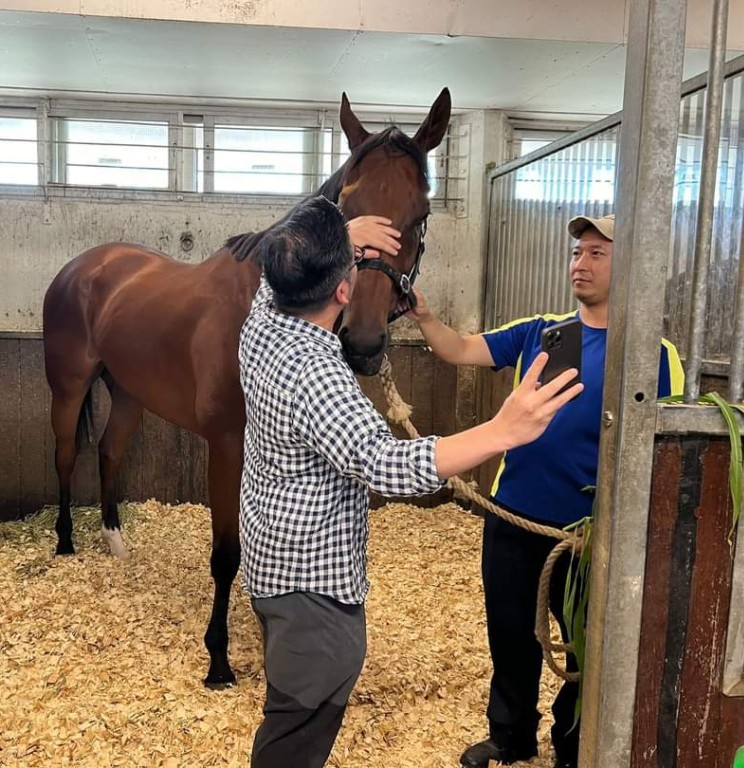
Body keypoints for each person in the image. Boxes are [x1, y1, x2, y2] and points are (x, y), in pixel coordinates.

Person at [238, 195, 584, 768]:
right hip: (313, 590)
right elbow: (384, 464)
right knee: (300, 722)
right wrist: (502, 429)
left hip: (272, 563)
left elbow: (265, 276)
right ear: (344, 290)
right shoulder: (316, 372)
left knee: (291, 708)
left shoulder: (264, 327)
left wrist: (337, 234)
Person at [409, 213, 684, 768]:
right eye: (577, 253)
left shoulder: (653, 355)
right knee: (511, 632)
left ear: (630, 266)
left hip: (586, 533)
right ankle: (509, 736)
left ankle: (571, 744)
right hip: (514, 516)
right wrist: (424, 317)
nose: (580, 264)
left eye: (597, 254)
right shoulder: (543, 331)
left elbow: (664, 445)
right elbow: (461, 349)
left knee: (584, 645)